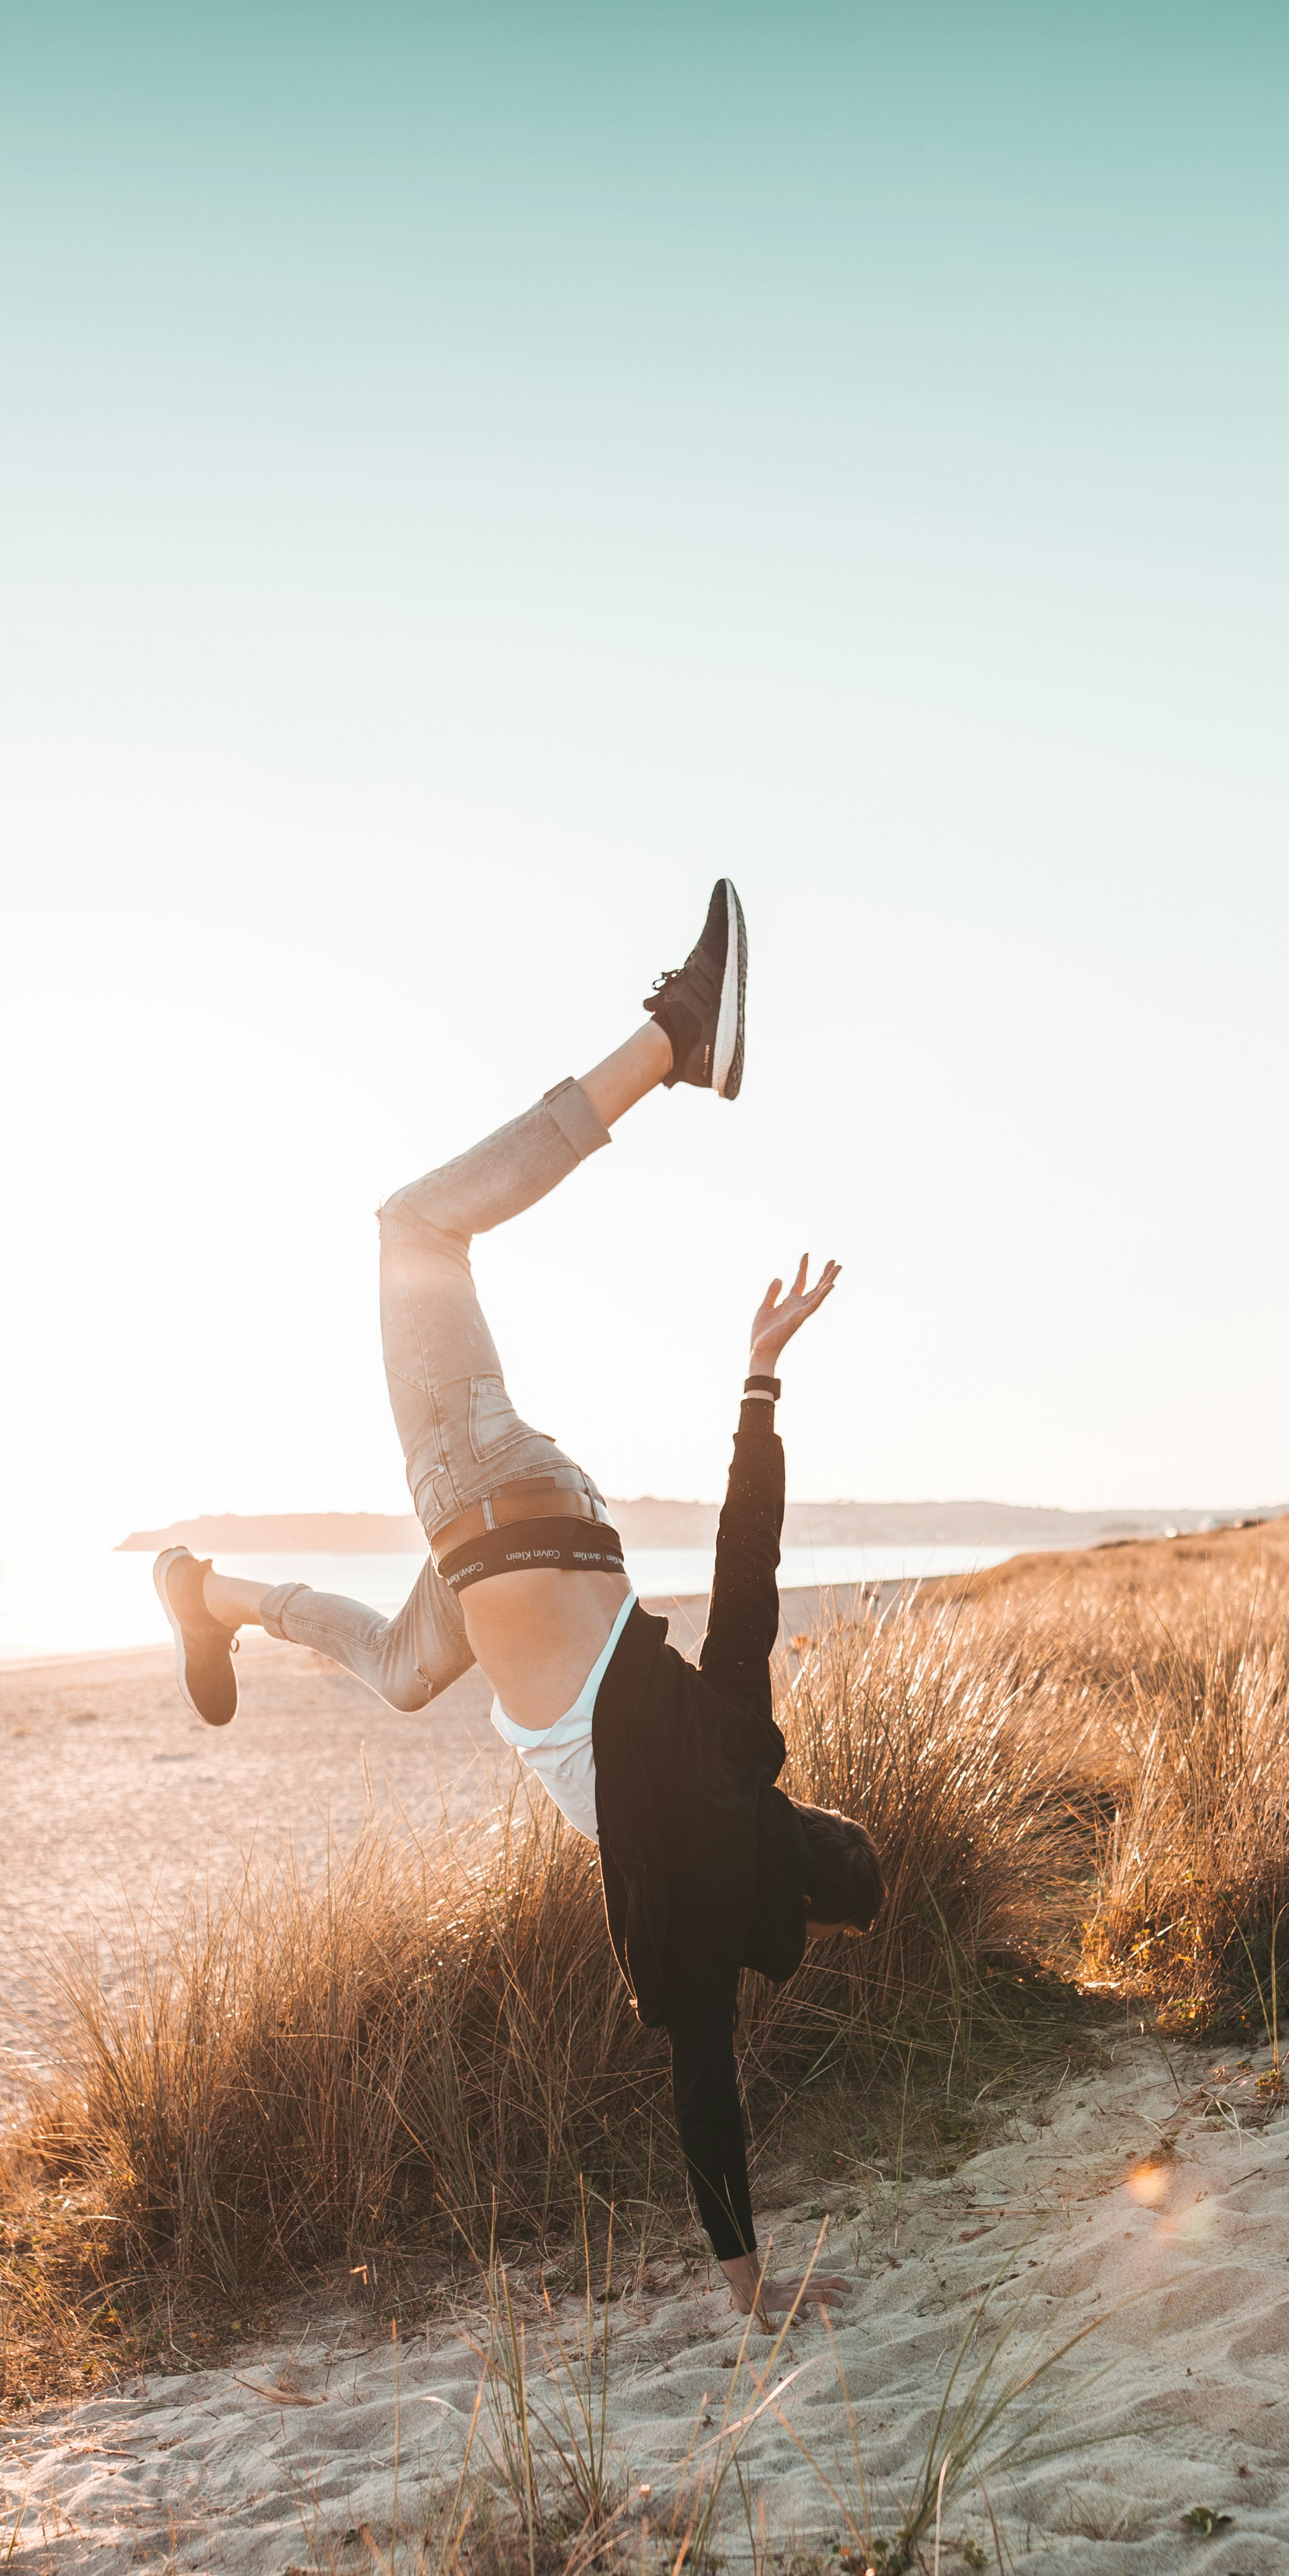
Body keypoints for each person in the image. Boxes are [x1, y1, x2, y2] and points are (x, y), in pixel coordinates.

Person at [150, 880, 882, 2322]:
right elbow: (703, 2101)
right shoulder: (688, 1931)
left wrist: (759, 1380)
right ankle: (676, 1039)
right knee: (413, 1234)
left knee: (408, 1667)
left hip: (541, 1525)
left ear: (810, 1835)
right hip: (482, 1507)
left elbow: (750, 1569)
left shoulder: (743, 1751)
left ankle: (207, 1593)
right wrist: (750, 2291)